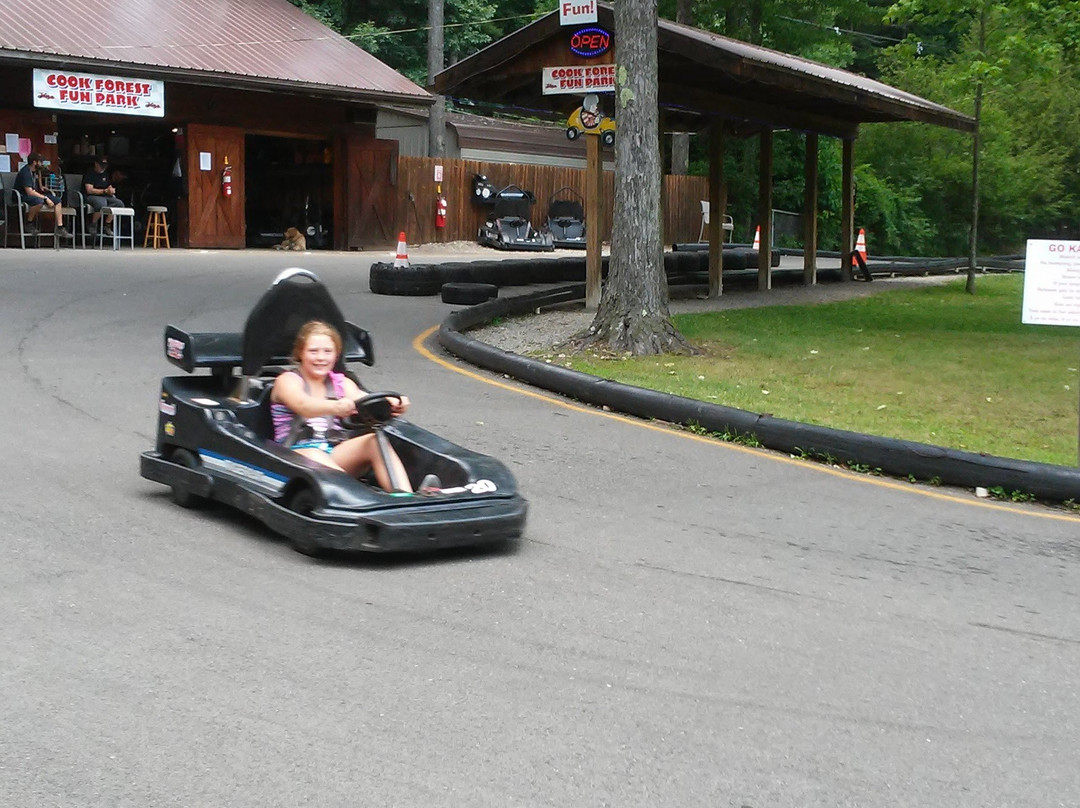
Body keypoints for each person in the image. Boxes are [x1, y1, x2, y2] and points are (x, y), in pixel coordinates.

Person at [270, 320, 440, 494]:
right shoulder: (288, 380)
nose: (321, 358)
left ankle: (404, 496)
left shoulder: (341, 383)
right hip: (293, 454)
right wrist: (336, 407)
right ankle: (359, 497)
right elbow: (303, 405)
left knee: (373, 441)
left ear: (336, 355)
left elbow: (362, 399)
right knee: (315, 455)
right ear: (301, 353)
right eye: (313, 351)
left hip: (333, 453)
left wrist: (393, 403)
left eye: (327, 351)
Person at [15, 153, 69, 238]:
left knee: (58, 201)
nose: (42, 164)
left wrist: (41, 185)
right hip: (22, 195)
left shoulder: (35, 171)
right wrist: (45, 197)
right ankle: (29, 223)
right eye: (40, 162)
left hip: (33, 194)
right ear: (34, 162)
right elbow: (29, 192)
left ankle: (60, 227)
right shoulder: (25, 172)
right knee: (39, 202)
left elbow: (38, 186)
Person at [83, 155, 124, 236]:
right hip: (91, 196)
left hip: (104, 195)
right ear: (96, 164)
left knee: (119, 204)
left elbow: (108, 185)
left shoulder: (105, 173)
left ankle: (107, 225)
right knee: (102, 204)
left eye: (105, 166)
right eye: (101, 165)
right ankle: (93, 224)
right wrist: (104, 191)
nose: (103, 168)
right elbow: (89, 190)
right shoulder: (90, 173)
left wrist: (111, 190)